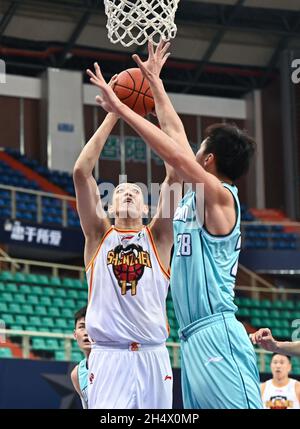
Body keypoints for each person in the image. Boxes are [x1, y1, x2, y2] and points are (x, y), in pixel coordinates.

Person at [88, 39, 263, 409]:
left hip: (218, 332)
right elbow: (176, 132)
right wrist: (154, 82)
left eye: (198, 150)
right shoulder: (192, 198)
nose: (190, 151)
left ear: (209, 159)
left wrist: (121, 107)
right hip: (191, 339)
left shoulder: (219, 198)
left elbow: (173, 149)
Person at [73, 65, 182, 409]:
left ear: (148, 204)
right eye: (120, 190)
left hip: (153, 355)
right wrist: (114, 112)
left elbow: (176, 169)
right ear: (109, 204)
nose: (129, 193)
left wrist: (152, 94)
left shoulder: (159, 236)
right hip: (109, 357)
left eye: (135, 190)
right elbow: (81, 172)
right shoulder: (98, 235)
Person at [70, 306, 91, 409]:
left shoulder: (114, 363)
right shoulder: (76, 374)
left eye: (91, 326)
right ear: (75, 334)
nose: (86, 333)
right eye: (82, 327)